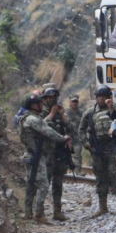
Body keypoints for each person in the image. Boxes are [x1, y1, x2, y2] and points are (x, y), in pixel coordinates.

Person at [17, 93, 70, 224]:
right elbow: (47, 131)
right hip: (36, 156)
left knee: (31, 184)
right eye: (39, 103)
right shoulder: (33, 119)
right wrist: (62, 138)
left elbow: (43, 125)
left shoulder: (28, 118)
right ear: (33, 105)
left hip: (31, 154)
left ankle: (28, 213)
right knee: (44, 185)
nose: (41, 105)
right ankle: (38, 214)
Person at [80, 86, 116, 215]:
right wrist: (87, 144)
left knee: (115, 175)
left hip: (113, 147)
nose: (100, 99)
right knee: (100, 177)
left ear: (109, 97)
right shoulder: (90, 113)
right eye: (98, 96)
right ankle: (102, 206)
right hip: (97, 149)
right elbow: (81, 129)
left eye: (103, 96)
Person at [41, 85, 72, 221]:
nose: (52, 100)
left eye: (54, 97)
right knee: (44, 183)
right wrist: (52, 114)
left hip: (60, 153)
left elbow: (72, 129)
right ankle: (39, 212)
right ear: (44, 99)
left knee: (58, 183)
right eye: (49, 97)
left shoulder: (60, 113)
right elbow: (41, 126)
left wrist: (63, 115)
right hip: (47, 154)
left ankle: (57, 211)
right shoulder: (41, 112)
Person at [65, 94, 84, 171]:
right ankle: (65, 171)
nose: (74, 103)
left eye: (76, 101)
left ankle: (77, 171)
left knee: (77, 155)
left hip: (77, 137)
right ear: (69, 102)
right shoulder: (65, 112)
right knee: (66, 154)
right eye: (73, 101)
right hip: (67, 137)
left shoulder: (81, 113)